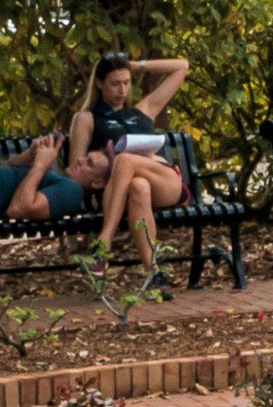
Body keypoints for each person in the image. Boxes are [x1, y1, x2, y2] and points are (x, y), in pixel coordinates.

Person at [74, 51, 197, 268]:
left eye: (126, 82)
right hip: (121, 190)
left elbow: (182, 66)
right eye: (115, 83)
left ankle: (105, 241)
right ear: (100, 83)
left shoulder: (143, 110)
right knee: (138, 186)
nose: (122, 90)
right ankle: (153, 272)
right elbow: (76, 170)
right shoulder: (86, 119)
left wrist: (135, 65)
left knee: (125, 160)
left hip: (165, 182)